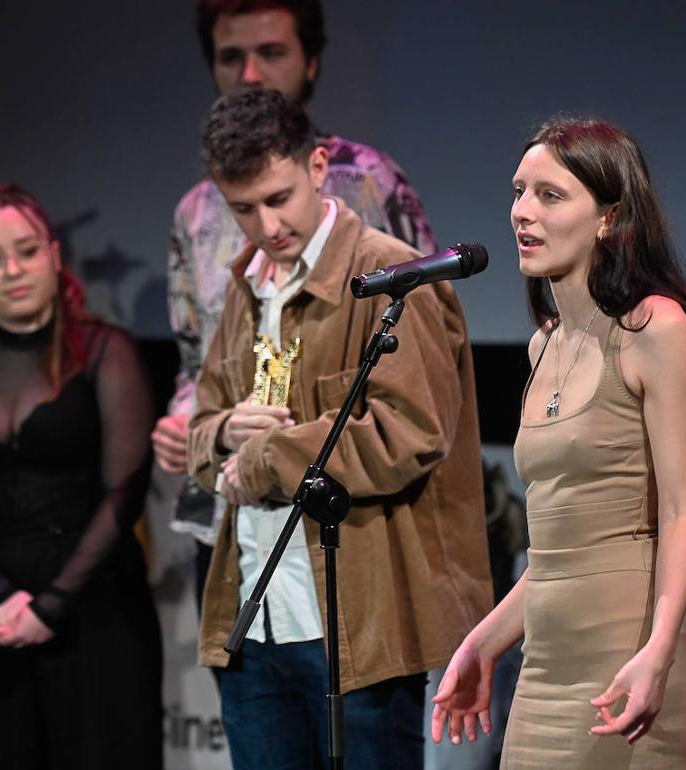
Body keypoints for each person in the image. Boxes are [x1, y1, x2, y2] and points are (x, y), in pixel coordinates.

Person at [188, 88, 492, 770]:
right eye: (243, 208)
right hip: (256, 619)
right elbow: (201, 434)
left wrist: (267, 456)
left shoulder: (391, 276)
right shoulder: (246, 288)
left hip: (356, 630)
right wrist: (225, 432)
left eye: (278, 197)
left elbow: (408, 430)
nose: (265, 225)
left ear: (319, 167)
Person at [430, 116, 686, 767]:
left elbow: (682, 512)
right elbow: (559, 551)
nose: (522, 213)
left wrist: (658, 652)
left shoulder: (657, 329)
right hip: (546, 677)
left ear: (610, 217)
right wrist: (485, 641)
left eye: (549, 195)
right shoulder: (544, 344)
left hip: (634, 664)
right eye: (518, 191)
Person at [152, 0, 435, 601]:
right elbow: (193, 354)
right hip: (239, 511)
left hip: (350, 514)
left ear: (310, 62)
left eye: (271, 53)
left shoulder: (369, 180)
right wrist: (191, 420)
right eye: (231, 57)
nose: (249, 73)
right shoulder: (197, 210)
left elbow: (421, 335)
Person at [0, 184, 163, 769]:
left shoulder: (107, 350)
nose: (13, 271)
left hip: (94, 602)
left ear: (54, 255)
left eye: (26, 251)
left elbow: (124, 490)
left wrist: (51, 605)